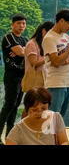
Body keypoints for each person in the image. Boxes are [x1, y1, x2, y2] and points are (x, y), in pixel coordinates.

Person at [42, 9, 69, 118]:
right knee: (52, 118)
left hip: (68, 82)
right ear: (61, 21)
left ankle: (57, 135)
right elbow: (56, 62)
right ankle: (50, 136)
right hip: (56, 83)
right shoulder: (49, 38)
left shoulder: (66, 37)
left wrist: (65, 60)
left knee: (60, 119)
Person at [0, 14, 28, 144]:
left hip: (22, 77)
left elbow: (28, 52)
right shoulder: (8, 37)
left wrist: (22, 50)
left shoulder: (24, 39)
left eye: (23, 23)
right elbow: (22, 53)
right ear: (12, 24)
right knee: (9, 104)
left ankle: (9, 137)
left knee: (16, 105)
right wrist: (22, 51)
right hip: (11, 76)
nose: (21, 26)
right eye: (18, 23)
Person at [23, 21, 55, 93]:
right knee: (36, 102)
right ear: (43, 31)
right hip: (35, 79)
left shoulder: (44, 43)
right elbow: (34, 63)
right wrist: (49, 57)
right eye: (51, 33)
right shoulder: (32, 44)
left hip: (45, 78)